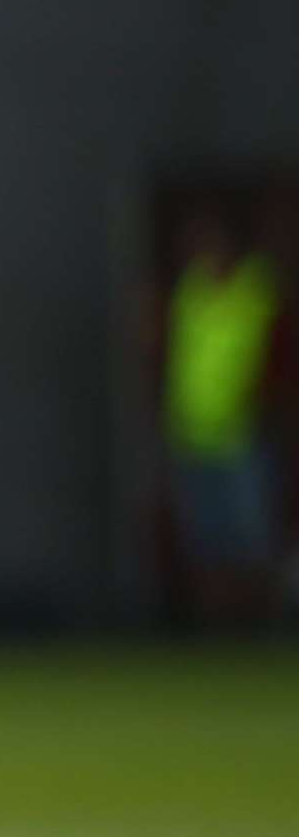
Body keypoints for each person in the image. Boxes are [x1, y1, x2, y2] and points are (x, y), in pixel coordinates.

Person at [163, 201, 282, 627]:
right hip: (193, 434)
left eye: (208, 241)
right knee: (206, 538)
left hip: (242, 433)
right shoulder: (190, 291)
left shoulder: (255, 288)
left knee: (251, 535)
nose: (200, 250)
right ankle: (216, 630)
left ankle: (268, 627)